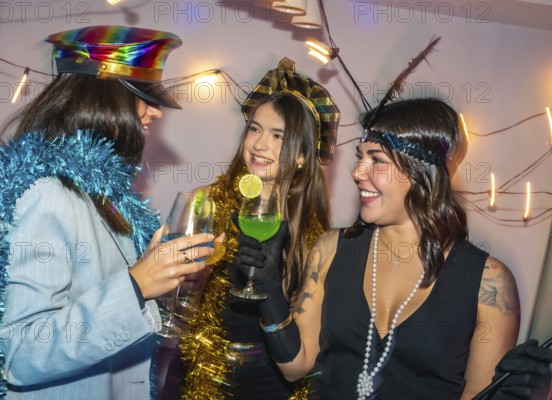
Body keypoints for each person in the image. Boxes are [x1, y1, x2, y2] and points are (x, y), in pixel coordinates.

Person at [234, 42, 552, 399]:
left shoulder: (489, 283)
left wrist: (526, 394)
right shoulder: (331, 249)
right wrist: (271, 291)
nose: (357, 172)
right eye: (359, 157)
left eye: (376, 160)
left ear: (422, 174)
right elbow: (296, 367)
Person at [0, 25, 220, 399]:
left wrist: (161, 282)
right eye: (140, 96)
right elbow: (22, 352)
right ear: (100, 97)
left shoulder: (99, 193)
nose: (156, 112)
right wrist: (136, 286)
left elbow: (91, 298)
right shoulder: (48, 194)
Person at [175, 58, 340, 399]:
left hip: (274, 385)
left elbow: (306, 357)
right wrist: (190, 279)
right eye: (254, 128)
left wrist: (271, 286)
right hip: (205, 378)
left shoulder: (317, 240)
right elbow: (177, 306)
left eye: (277, 135)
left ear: (300, 156)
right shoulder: (206, 203)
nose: (259, 144)